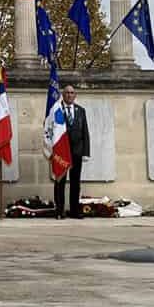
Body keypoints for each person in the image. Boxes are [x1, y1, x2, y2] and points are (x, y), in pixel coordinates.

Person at [53, 83, 90, 219]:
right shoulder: (56, 109)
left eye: (72, 93)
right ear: (63, 95)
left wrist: (85, 152)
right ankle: (60, 211)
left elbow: (85, 132)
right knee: (60, 182)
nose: (69, 95)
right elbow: (51, 129)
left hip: (76, 152)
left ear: (75, 95)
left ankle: (74, 210)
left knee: (75, 182)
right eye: (67, 93)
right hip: (61, 152)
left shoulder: (81, 110)